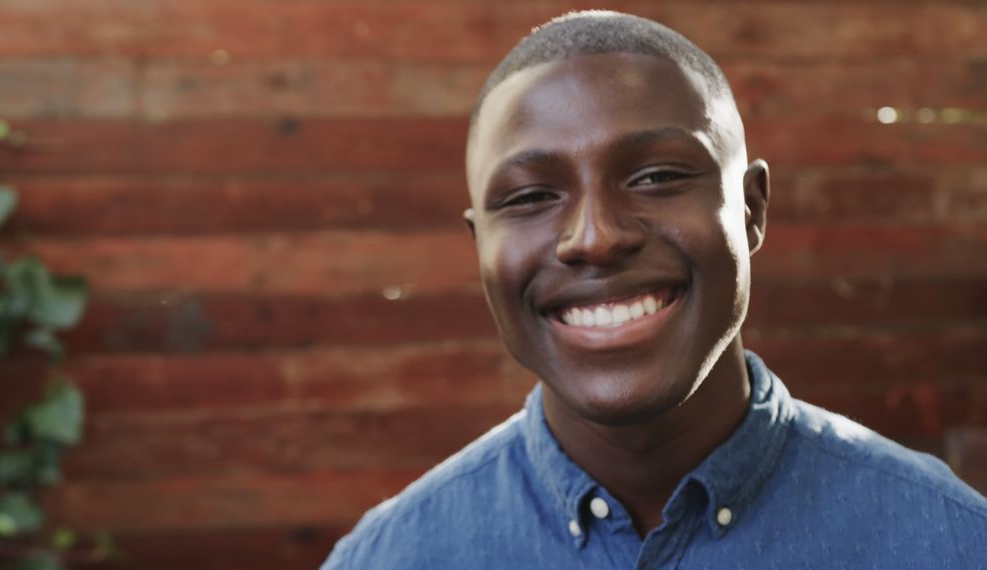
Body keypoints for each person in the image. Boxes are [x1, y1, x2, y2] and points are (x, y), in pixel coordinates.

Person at [321, 11, 987, 568]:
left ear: (752, 210)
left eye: (657, 176)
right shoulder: (391, 557)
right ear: (481, 247)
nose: (595, 237)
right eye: (529, 197)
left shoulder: (950, 540)